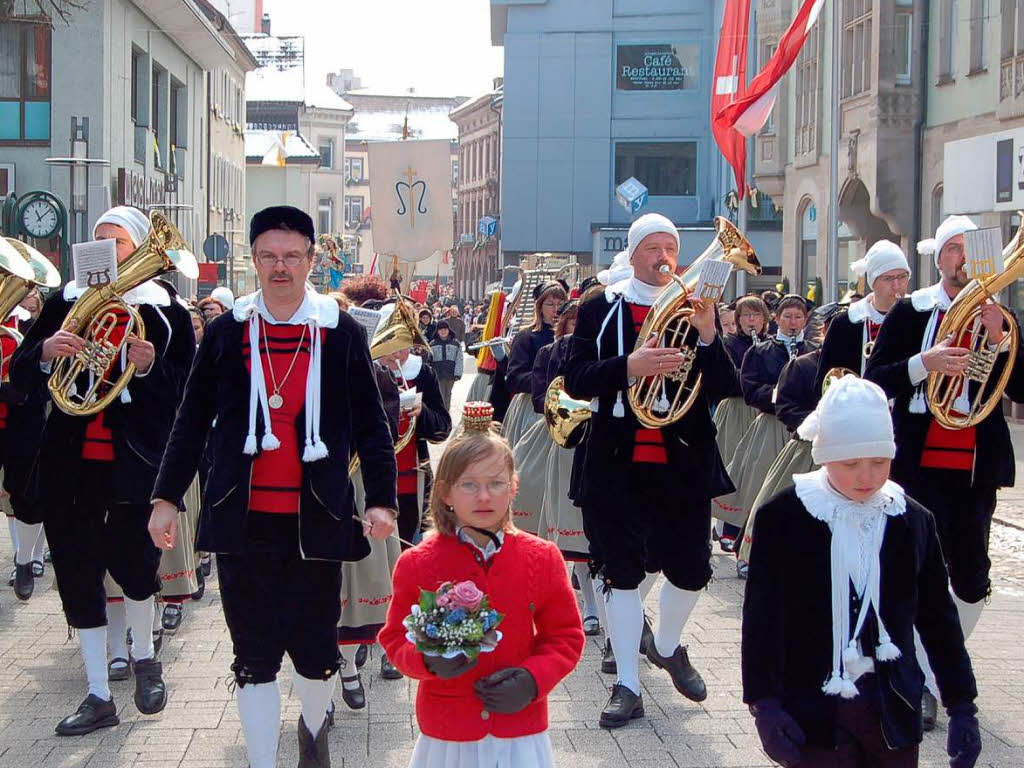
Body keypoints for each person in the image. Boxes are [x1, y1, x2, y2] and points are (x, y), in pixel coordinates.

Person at [147, 206, 399, 768]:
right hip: (244, 525)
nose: (279, 267)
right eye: (268, 256)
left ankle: (314, 737)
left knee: (315, 650)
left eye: (291, 256)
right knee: (253, 654)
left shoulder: (340, 333)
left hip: (318, 521)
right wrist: (165, 499)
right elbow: (190, 421)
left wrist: (382, 500)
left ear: (312, 261)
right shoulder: (225, 331)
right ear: (254, 260)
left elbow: (371, 424)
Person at [10, 205, 195, 734]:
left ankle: (145, 659)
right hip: (71, 465)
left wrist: (151, 366)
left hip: (134, 463)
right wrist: (45, 352)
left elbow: (186, 393)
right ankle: (96, 693)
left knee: (136, 568)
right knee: (76, 573)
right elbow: (22, 373)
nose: (107, 249)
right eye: (98, 239)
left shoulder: (165, 313)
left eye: (117, 241)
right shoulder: (64, 303)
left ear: (138, 248)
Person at [743, 375, 981, 768]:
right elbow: (763, 617)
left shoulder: (912, 519)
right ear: (824, 454)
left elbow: (939, 619)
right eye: (851, 463)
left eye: (879, 462)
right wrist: (763, 702)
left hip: (891, 707)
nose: (867, 477)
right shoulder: (784, 517)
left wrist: (961, 704)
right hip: (813, 709)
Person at [563, 213, 738, 728]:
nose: (664, 256)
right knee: (619, 573)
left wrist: (709, 337)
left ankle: (665, 645)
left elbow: (726, 386)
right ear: (634, 252)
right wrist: (628, 368)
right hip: (616, 461)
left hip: (680, 461)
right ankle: (627, 685)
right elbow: (574, 378)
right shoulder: (601, 305)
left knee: (691, 569)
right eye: (653, 247)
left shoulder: (695, 307)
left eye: (672, 246)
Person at [865, 215, 1024, 732]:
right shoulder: (913, 311)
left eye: (971, 249)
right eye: (954, 249)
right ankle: (913, 674)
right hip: (916, 465)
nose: (962, 258)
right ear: (941, 259)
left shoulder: (1004, 316)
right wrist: (924, 363)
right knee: (909, 575)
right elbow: (876, 379)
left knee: (972, 580)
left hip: (974, 467)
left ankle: (932, 675)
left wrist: (1000, 343)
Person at [378, 401, 585, 768]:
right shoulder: (418, 564)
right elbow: (395, 639)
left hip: (519, 730)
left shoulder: (542, 557)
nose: (484, 496)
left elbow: (566, 636)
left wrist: (533, 679)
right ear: (445, 493)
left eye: (495, 484)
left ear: (513, 487)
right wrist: (427, 660)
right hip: (448, 733)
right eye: (469, 485)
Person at [721, 294, 816, 577]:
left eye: (798, 317)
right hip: (771, 424)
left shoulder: (813, 352)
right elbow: (749, 389)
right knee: (760, 489)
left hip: (802, 429)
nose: (793, 322)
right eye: (787, 317)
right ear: (776, 319)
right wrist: (778, 393)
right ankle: (746, 552)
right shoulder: (760, 352)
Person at [711, 295, 771, 549]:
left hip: (759, 411)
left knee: (756, 471)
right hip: (737, 408)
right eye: (746, 315)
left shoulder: (770, 345)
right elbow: (728, 378)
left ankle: (744, 529)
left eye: (756, 315)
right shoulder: (729, 344)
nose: (751, 320)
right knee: (734, 467)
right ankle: (726, 526)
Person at [814, 240, 911, 391]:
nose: (897, 285)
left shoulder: (919, 314)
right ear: (873, 282)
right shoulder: (846, 323)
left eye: (902, 277)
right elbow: (824, 380)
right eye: (888, 278)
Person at [500, 282, 567, 449]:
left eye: (560, 304)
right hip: (532, 409)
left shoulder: (573, 337)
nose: (556, 310)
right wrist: (545, 378)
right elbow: (514, 378)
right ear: (540, 307)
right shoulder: (526, 337)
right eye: (550, 304)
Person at [429, 319, 464, 408]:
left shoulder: (456, 343)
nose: (443, 331)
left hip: (451, 374)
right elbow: (429, 360)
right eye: (441, 330)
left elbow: (459, 359)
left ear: (449, 330)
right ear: (437, 331)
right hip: (438, 374)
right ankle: (442, 414)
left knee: (448, 395)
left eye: (445, 329)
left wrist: (458, 373)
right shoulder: (432, 344)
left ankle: (446, 413)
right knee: (440, 395)